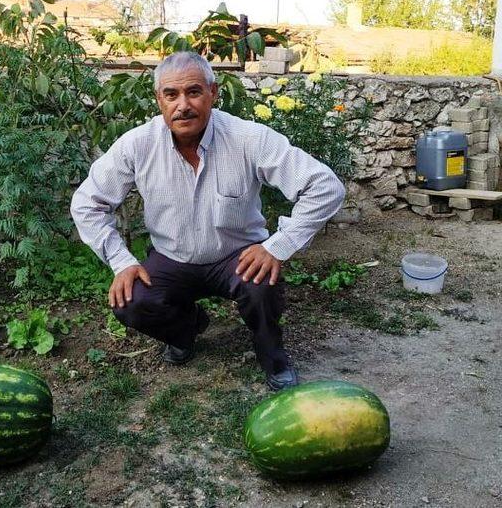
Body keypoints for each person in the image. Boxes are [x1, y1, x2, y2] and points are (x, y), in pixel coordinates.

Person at [71, 51, 345, 391]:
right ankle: (186, 330)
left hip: (237, 257)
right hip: (172, 258)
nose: (182, 105)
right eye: (171, 95)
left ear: (213, 94)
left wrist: (278, 246)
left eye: (194, 92)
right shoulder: (137, 145)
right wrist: (120, 260)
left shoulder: (248, 138)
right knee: (130, 300)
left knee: (262, 286)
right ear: (159, 100)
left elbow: (325, 187)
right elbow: (87, 203)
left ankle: (274, 358)